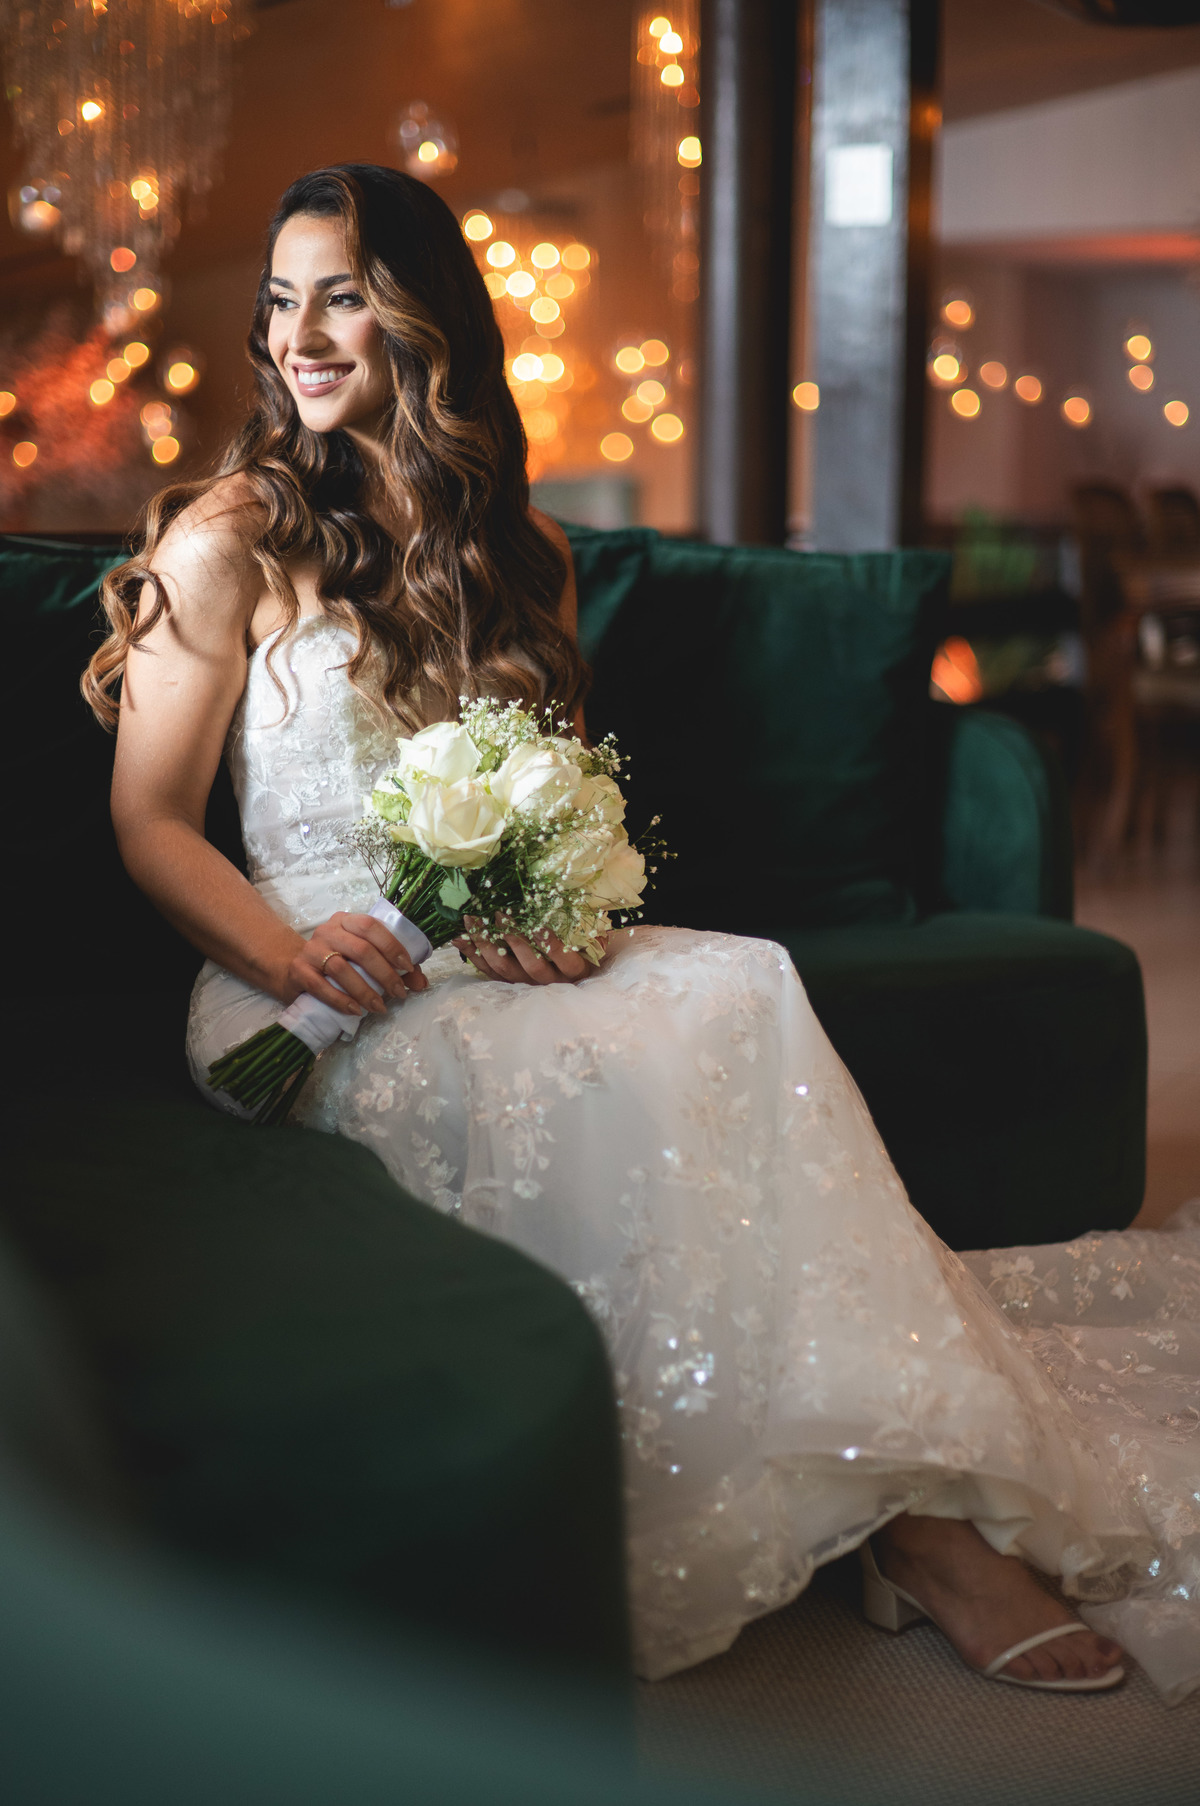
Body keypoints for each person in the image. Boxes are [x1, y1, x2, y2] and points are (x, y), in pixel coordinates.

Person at [85, 164, 1199, 1704]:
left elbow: (544, 809)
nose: (301, 335)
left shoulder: (516, 551)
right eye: (281, 300)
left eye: (341, 292)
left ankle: (898, 1496)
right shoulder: (231, 538)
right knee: (632, 1053)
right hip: (302, 986)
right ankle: (918, 1528)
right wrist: (289, 956)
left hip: (484, 963)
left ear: (423, 319)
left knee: (738, 983)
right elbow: (150, 820)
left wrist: (557, 916)